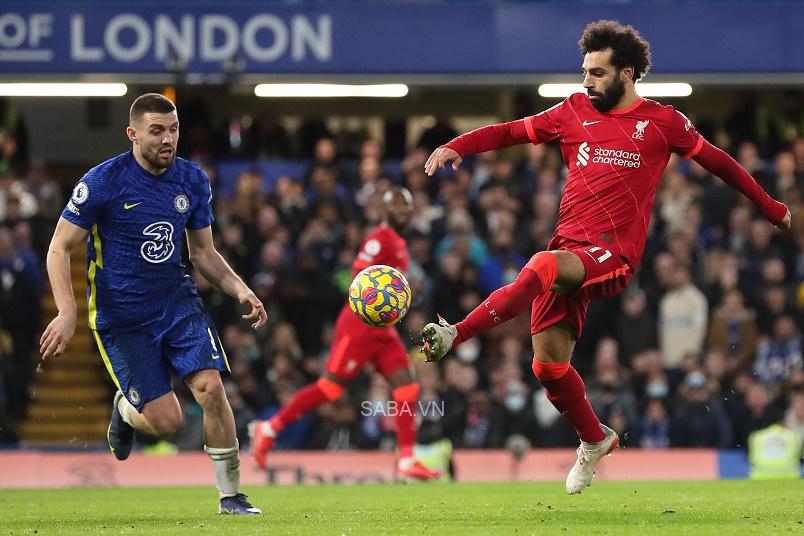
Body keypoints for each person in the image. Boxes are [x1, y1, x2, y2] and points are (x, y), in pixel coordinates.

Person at [419, 20, 791, 494]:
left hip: (613, 255)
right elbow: (511, 132)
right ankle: (595, 439)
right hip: (568, 250)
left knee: (542, 264)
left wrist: (771, 207)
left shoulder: (663, 123)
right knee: (547, 368)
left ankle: (456, 332)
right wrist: (458, 144)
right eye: (585, 72)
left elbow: (721, 163)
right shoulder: (572, 111)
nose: (587, 81)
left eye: (597, 73)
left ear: (627, 73)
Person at [39, 93, 266, 515]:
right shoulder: (102, 182)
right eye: (157, 131)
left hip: (177, 303)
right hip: (121, 316)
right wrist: (67, 312)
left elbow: (203, 253)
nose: (168, 139)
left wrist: (239, 289)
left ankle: (231, 496)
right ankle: (125, 410)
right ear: (133, 134)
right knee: (167, 423)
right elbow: (58, 248)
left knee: (211, 388)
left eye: (173, 129)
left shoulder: (193, 180)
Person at [250, 187, 442, 482]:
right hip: (358, 327)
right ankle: (269, 428)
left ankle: (406, 461)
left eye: (406, 205)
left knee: (407, 386)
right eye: (396, 205)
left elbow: (390, 287)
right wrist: (398, 286)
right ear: (385, 210)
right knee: (330, 389)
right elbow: (359, 280)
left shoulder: (399, 242)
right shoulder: (378, 240)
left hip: (383, 329)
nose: (402, 210)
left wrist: (406, 291)